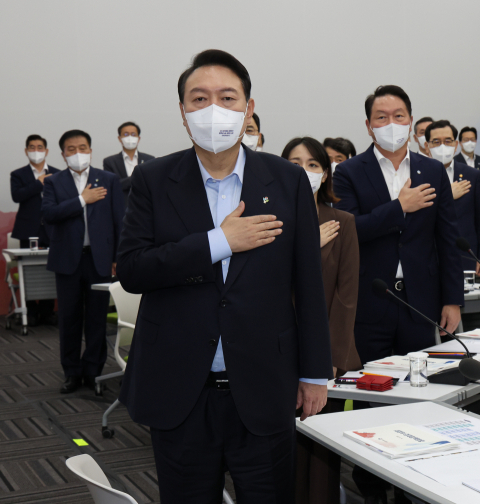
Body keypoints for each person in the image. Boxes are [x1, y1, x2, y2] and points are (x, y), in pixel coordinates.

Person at [116, 49, 332, 503]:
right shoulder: (153, 179)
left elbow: (308, 285)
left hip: (265, 385)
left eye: (227, 97)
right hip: (179, 390)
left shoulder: (287, 180)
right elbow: (133, 269)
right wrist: (219, 242)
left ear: (248, 108)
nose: (213, 110)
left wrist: (314, 373)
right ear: (182, 112)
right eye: (199, 99)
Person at [334, 85, 463, 504]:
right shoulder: (349, 172)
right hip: (371, 301)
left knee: (419, 395)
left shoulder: (431, 169)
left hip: (421, 303)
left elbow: (447, 239)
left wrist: (452, 300)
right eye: (382, 117)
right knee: (374, 396)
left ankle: (413, 480)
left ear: (411, 120)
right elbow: (348, 230)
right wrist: (399, 207)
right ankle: (372, 482)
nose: (392, 124)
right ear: (369, 125)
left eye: (399, 115)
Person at [282, 136, 361, 504]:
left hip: (323, 356)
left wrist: (324, 360)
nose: (304, 171)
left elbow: (346, 298)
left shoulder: (343, 222)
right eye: (295, 164)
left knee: (320, 454)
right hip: (276, 350)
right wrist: (305, 248)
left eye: (312, 165)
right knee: (280, 453)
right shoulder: (268, 224)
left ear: (326, 173)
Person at [42, 130, 124, 394]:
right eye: (71, 149)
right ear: (63, 154)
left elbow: (118, 222)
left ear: (90, 150)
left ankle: (93, 372)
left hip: (99, 260)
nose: (78, 153)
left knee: (98, 319)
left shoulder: (109, 179)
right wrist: (81, 200)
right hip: (67, 261)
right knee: (69, 319)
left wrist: (116, 258)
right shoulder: (54, 182)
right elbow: (49, 215)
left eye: (82, 147)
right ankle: (71, 373)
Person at [426, 121, 480, 274]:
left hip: (465, 255)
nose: (443, 146)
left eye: (448, 141)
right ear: (428, 146)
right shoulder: (417, 175)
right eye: (436, 142)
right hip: (429, 256)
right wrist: (448, 194)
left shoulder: (471, 175)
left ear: (456, 145)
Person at [10, 135, 60, 326]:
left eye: (40, 147)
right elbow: (17, 196)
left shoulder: (57, 173)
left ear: (46, 151)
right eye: (32, 147)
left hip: (51, 228)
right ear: (26, 151)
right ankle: (30, 312)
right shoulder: (18, 174)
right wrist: (39, 182)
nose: (36, 151)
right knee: (29, 270)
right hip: (27, 229)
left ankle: (47, 312)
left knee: (50, 270)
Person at [102, 122, 155, 205]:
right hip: (121, 205)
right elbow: (112, 186)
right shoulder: (110, 161)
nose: (130, 137)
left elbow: (151, 185)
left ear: (139, 138)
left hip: (144, 205)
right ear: (119, 138)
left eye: (133, 134)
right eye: (126, 134)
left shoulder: (149, 160)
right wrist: (138, 176)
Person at [454, 126, 480, 221]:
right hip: (462, 209)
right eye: (466, 140)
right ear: (460, 143)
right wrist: (474, 176)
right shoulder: (454, 161)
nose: (469, 142)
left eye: (472, 139)